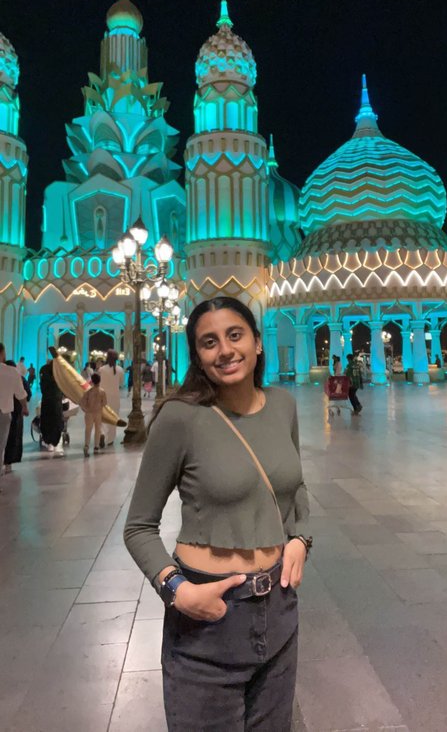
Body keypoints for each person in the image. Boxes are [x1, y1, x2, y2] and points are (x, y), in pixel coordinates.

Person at [124, 296, 311, 731]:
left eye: (235, 335)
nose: (225, 350)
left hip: (279, 610)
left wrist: (301, 537)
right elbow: (138, 527)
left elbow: (294, 486)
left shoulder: (283, 405)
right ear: (198, 357)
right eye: (209, 342)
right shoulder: (181, 418)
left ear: (258, 342)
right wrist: (177, 589)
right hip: (207, 619)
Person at [0, 344, 29, 483]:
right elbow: (21, 394)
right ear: (2, 354)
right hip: (3, 413)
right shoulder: (11, 372)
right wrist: (25, 407)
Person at [3, 361, 31, 472]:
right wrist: (24, 406)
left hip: (4, 409)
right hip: (16, 412)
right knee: (13, 436)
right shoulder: (20, 378)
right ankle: (8, 462)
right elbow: (27, 395)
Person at [98, 349, 124, 447]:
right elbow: (121, 383)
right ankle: (110, 440)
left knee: (102, 417)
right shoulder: (120, 370)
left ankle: (102, 433)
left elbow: (98, 382)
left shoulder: (101, 369)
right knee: (113, 417)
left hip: (103, 396)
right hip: (115, 397)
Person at [39, 358, 65, 452]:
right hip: (56, 401)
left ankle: (48, 441)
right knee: (56, 421)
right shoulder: (59, 373)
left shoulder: (43, 370)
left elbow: (42, 385)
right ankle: (54, 442)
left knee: (47, 420)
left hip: (47, 400)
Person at [80, 373, 107, 456]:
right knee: (98, 429)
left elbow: (82, 402)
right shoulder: (102, 391)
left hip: (89, 413)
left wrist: (85, 409)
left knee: (88, 430)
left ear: (92, 381)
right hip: (98, 412)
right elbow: (105, 403)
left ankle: (86, 446)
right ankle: (96, 447)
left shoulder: (88, 391)